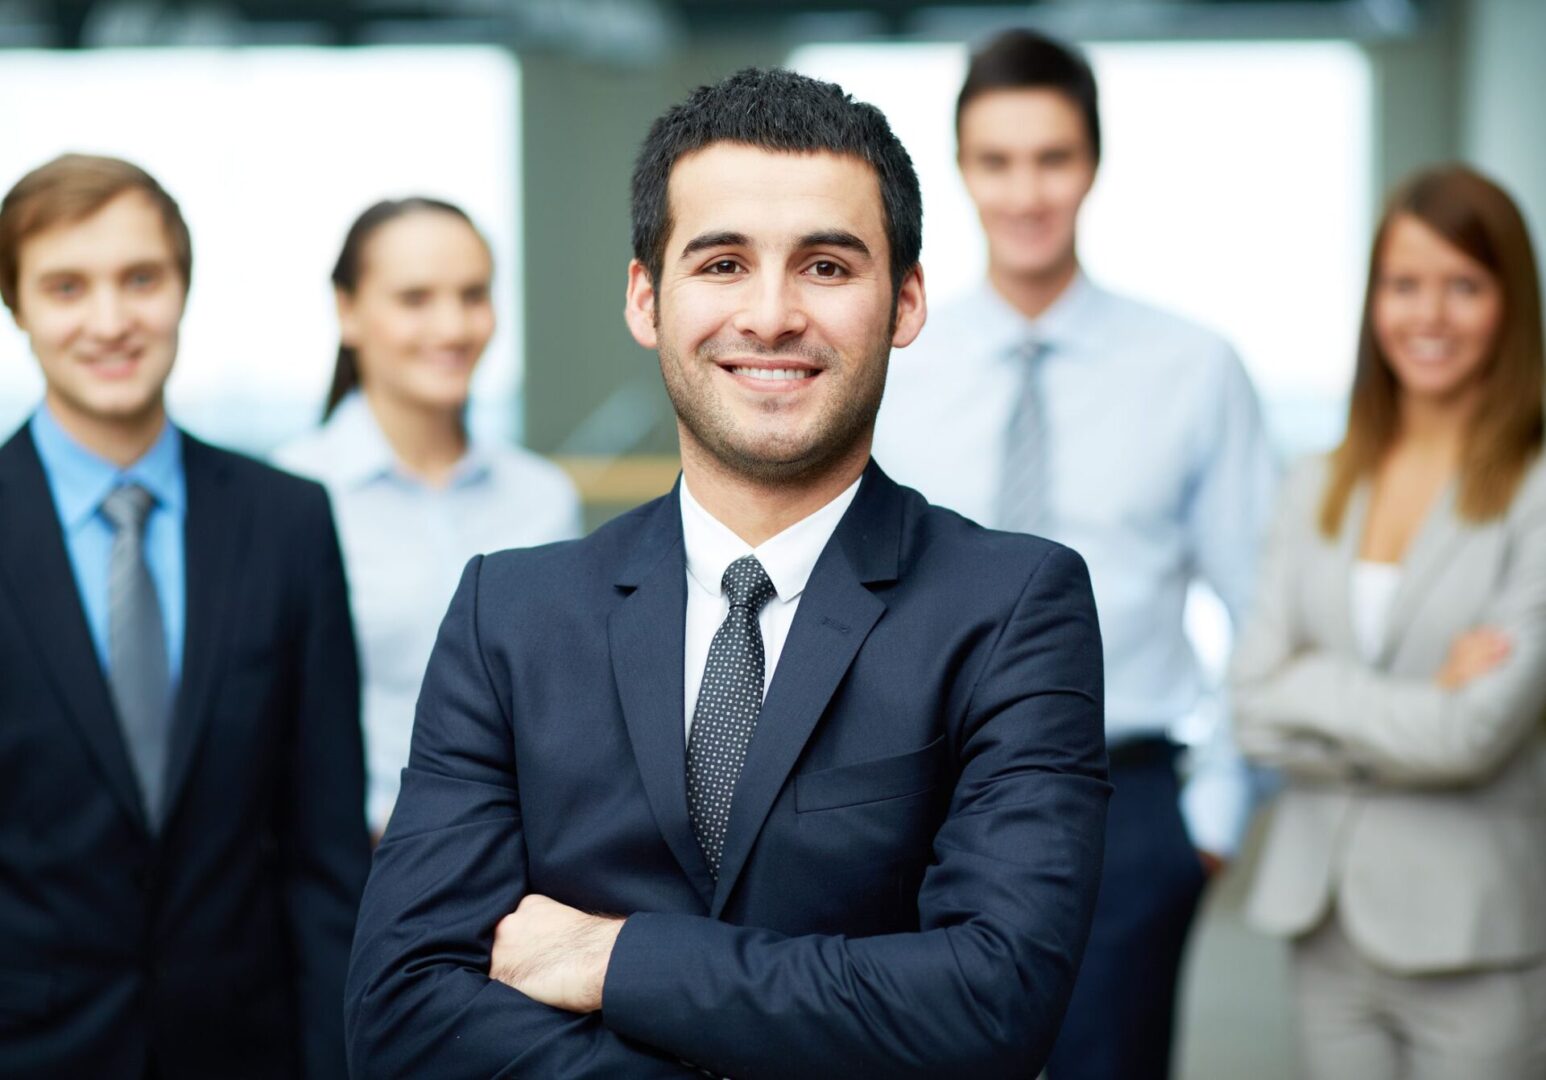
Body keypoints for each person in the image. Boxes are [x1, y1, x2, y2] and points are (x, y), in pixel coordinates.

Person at [345, 67, 1110, 1078]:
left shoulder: (1012, 609)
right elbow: (400, 1013)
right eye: (721, 264)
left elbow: (990, 1001)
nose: (771, 315)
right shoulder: (511, 615)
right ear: (644, 297)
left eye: (827, 267)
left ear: (907, 300)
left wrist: (615, 957)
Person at [870, 29, 1278, 1080]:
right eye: (996, 161)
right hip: (926, 793)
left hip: (1128, 799)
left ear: (1091, 164)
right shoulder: (896, 364)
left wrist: (1213, 815)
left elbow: (1263, 602)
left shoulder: (1191, 368)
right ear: (960, 170)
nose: (1025, 192)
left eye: (1051, 158)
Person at [0, 153, 367, 1078]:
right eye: (66, 287)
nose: (111, 320)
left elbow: (325, 850)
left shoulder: (287, 522)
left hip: (249, 1050)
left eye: (140, 279)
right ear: (17, 307)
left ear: (183, 289)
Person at [1230, 164, 1546, 1078]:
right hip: (1324, 925)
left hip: (1476, 937)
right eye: (1405, 285)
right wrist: (1419, 702)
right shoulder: (1317, 483)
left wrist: (1312, 691)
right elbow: (1251, 708)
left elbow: (1475, 736)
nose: (1429, 315)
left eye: (1464, 286)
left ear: (1509, 303)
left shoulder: (1533, 494)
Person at [275, 197, 581, 838]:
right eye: (415, 299)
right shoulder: (289, 497)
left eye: (473, 295)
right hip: (350, 870)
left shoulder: (542, 497)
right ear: (347, 309)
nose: (451, 327)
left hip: (523, 872)